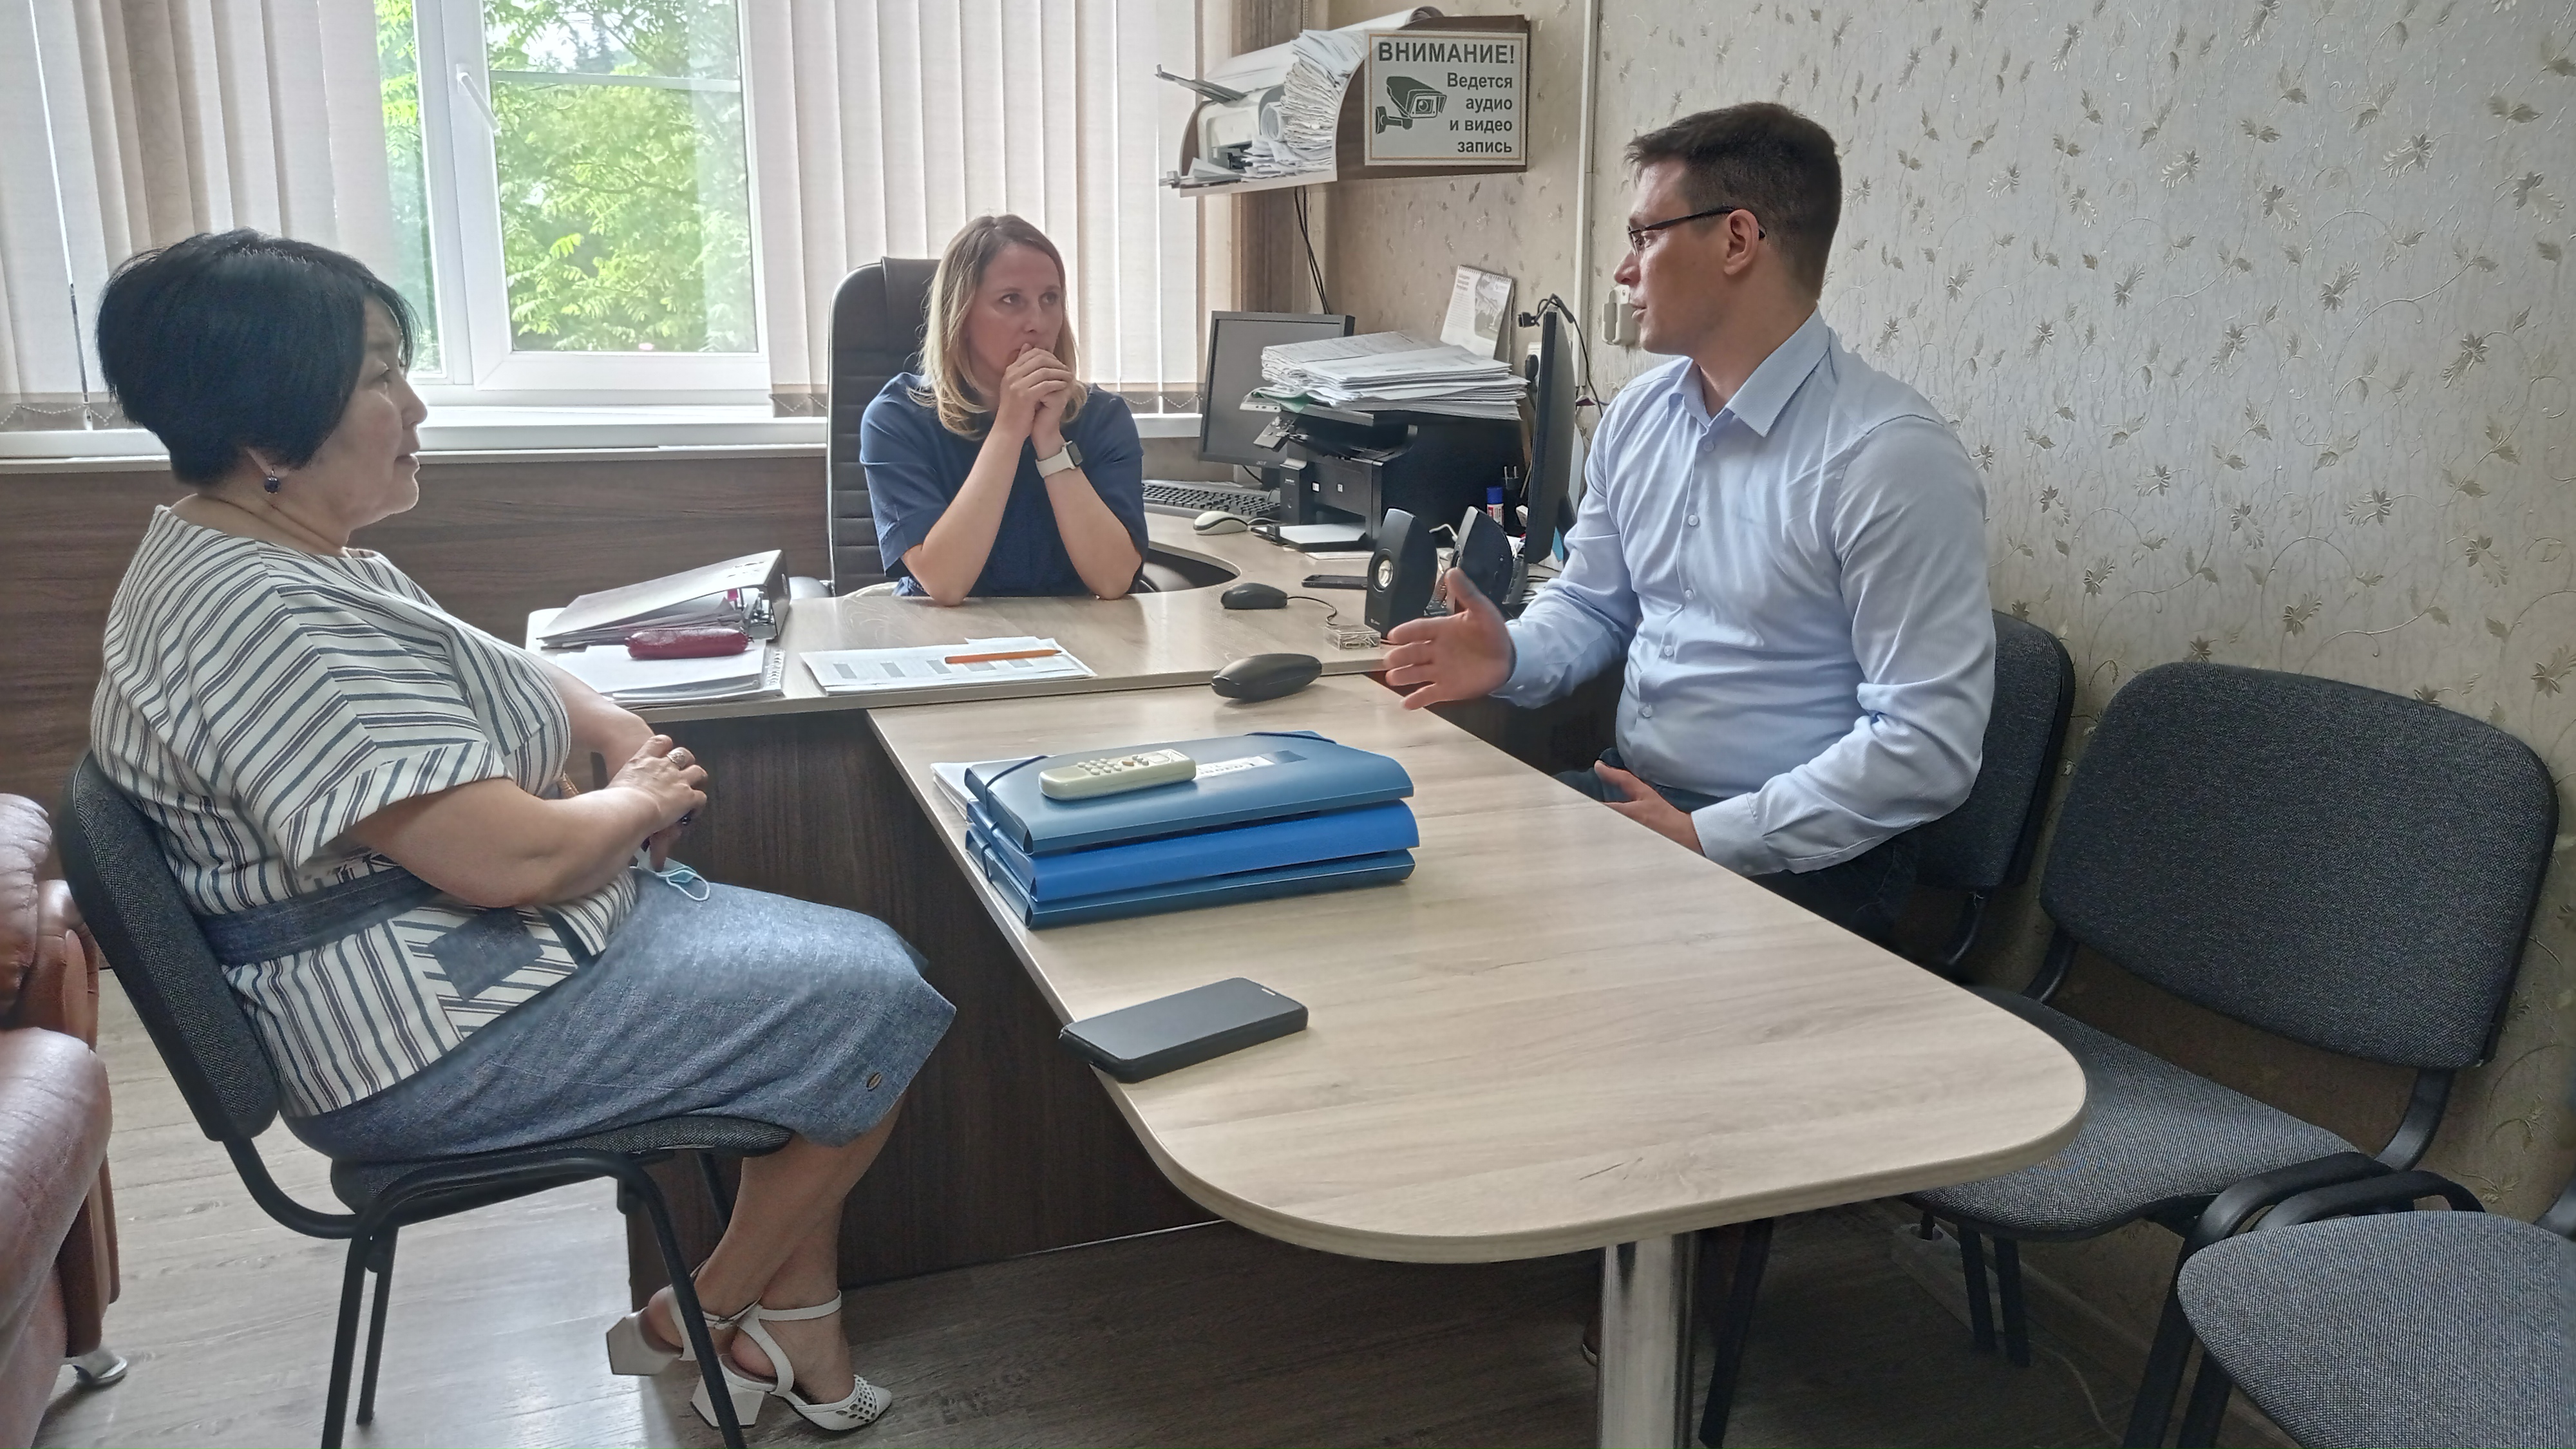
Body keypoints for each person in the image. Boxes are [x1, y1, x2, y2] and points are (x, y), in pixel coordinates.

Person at [87, 231, 949, 1435]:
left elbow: (500, 665)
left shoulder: (253, 551)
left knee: (838, 983)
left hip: (427, 985)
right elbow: (512, 862)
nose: (415, 406)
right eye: (382, 376)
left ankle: (800, 1328)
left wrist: (606, 725)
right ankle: (702, 1310)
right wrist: (640, 796)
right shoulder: (272, 619)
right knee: (876, 996)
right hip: (415, 1042)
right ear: (268, 434)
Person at [1385, 104, 1994, 943]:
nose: (1622, 270)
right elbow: (1595, 604)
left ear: (1737, 240)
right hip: (1643, 800)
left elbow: (1928, 745)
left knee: (1509, 958)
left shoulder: (1889, 458)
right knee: (1420, 880)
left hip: (1801, 857)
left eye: (1644, 236)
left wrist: (1710, 837)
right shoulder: (1640, 417)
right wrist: (1512, 655)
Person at [859, 214, 1148, 604]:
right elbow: (945, 583)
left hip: (1071, 630)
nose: (1038, 322)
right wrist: (1010, 429)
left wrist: (1049, 441)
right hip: (942, 632)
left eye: (1050, 299)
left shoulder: (1102, 416)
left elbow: (1113, 580)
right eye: (1011, 300)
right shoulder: (896, 418)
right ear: (961, 315)